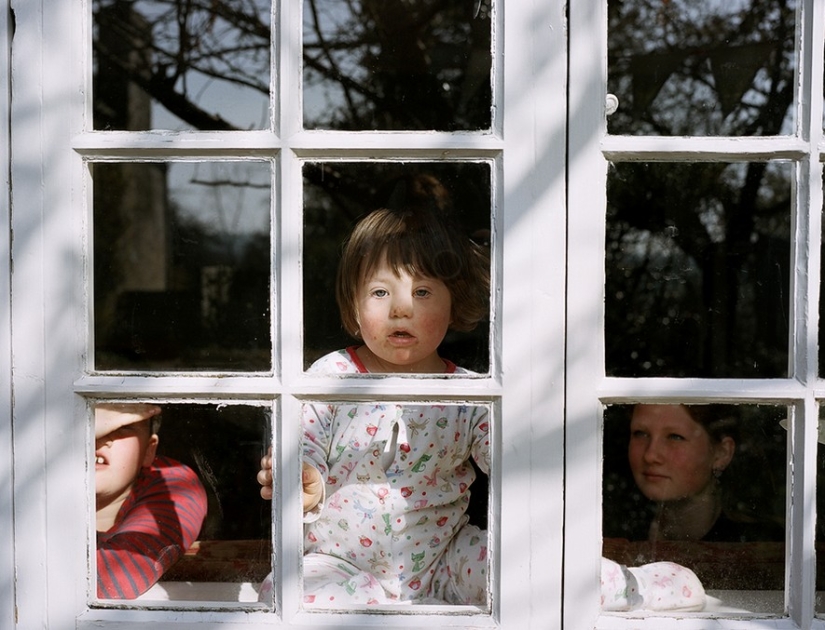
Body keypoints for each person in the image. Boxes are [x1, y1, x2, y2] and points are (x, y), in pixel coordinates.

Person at [257, 205, 708, 610]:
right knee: (290, 591)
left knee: (541, 572)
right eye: (380, 292)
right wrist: (304, 477)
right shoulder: (331, 376)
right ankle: (383, 611)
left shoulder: (474, 394)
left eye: (423, 292)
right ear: (353, 306)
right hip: (341, 563)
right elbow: (304, 444)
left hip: (447, 558)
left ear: (454, 305)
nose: (400, 308)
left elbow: (516, 463)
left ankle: (632, 585)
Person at [95, 403, 208, 599]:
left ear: (148, 451)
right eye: (87, 422)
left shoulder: (172, 482)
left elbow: (115, 578)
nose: (99, 436)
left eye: (123, 426)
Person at [627, 403, 781, 542]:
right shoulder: (610, 530)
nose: (650, 455)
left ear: (722, 453)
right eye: (640, 433)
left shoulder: (761, 545)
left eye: (675, 437)